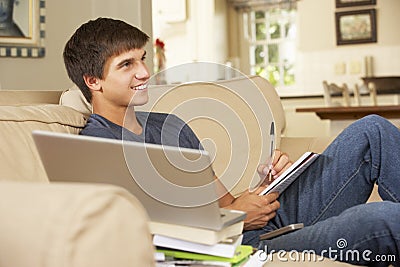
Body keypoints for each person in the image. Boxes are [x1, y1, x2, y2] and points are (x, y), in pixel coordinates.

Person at [63, 17, 399, 266]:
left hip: (259, 224)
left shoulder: (171, 125)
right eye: (127, 65)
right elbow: (142, 238)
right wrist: (236, 218)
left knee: (372, 132)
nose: (144, 72)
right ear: (94, 81)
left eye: (142, 59)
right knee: (382, 219)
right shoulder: (97, 147)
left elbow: (224, 202)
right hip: (234, 249)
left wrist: (267, 185)